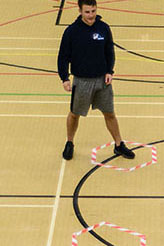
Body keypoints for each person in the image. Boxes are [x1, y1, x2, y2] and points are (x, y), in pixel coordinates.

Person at [58, 0, 135, 162]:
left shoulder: (104, 28)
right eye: (87, 12)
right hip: (82, 82)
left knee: (110, 114)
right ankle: (70, 142)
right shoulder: (71, 32)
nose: (91, 15)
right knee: (74, 114)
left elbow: (109, 52)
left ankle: (119, 144)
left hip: (102, 81)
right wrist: (64, 77)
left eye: (93, 11)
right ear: (79, 11)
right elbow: (63, 56)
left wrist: (109, 71)